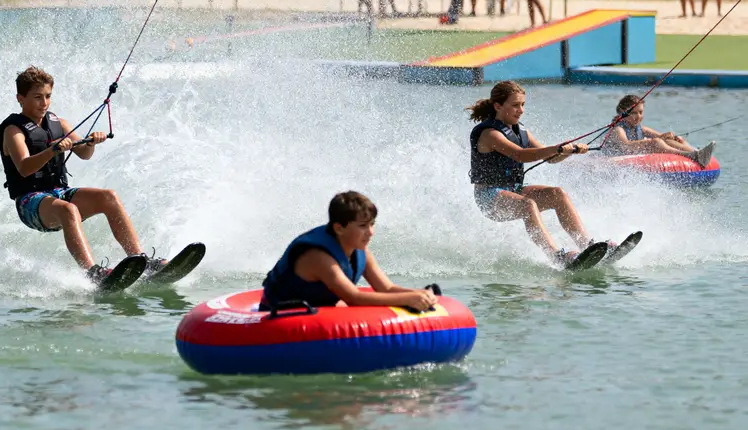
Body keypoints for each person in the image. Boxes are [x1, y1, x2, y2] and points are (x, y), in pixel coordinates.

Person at [0, 66, 165, 282]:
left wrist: (92, 142)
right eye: (37, 97)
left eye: (48, 96)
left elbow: (84, 154)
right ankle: (93, 273)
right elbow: (24, 167)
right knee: (68, 209)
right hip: (29, 202)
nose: (44, 103)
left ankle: (142, 261)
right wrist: (52, 150)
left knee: (109, 197)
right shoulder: (13, 130)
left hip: (59, 192)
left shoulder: (59, 123)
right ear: (20, 98)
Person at [468, 81, 615, 267]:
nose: (521, 110)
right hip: (489, 197)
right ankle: (557, 256)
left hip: (513, 189)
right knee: (528, 204)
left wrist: (570, 151)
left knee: (557, 194)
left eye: (523, 104)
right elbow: (520, 155)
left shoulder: (521, 131)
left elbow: (551, 158)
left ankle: (588, 246)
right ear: (498, 106)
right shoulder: (490, 133)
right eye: (515, 105)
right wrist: (556, 148)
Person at [260, 191, 438, 312]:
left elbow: (386, 288)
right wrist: (408, 299)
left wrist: (420, 294)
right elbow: (354, 298)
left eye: (372, 224)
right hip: (279, 316)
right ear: (339, 228)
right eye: (363, 226)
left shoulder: (360, 250)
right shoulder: (318, 257)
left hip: (316, 309)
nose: (370, 232)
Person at [604, 94, 716, 166]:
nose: (638, 116)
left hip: (633, 154)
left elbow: (662, 137)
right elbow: (626, 146)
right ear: (623, 113)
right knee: (656, 142)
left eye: (641, 112)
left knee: (669, 140)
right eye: (634, 113)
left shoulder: (641, 128)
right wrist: (650, 142)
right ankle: (692, 156)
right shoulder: (618, 129)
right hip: (615, 160)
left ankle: (697, 153)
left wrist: (672, 137)